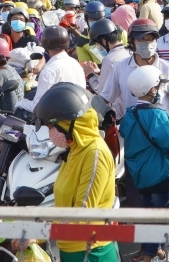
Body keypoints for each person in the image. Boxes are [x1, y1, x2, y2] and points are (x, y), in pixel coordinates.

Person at [30, 84, 119, 262]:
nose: (50, 133)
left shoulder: (95, 154)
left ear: (70, 123)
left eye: (52, 126)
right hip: (71, 248)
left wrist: (39, 233)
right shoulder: (75, 149)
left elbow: (82, 213)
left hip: (91, 251)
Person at [120, 66, 169, 262]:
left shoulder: (130, 113)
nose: (160, 90)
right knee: (160, 214)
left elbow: (124, 133)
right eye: (158, 87)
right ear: (151, 90)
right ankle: (151, 254)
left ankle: (149, 250)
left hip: (138, 174)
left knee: (147, 212)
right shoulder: (157, 114)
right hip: (157, 173)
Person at [101, 19, 169, 121]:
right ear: (131, 42)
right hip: (132, 130)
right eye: (141, 39)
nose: (147, 43)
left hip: (161, 130)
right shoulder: (120, 67)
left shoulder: (168, 69)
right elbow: (105, 98)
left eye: (151, 39)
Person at [15, 26, 86, 114]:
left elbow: (38, 106)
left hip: (59, 118)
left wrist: (20, 103)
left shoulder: (48, 71)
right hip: (80, 112)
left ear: (44, 43)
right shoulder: (75, 63)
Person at [83, 19, 131, 94]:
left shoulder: (109, 60)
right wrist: (100, 72)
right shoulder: (129, 51)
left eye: (97, 44)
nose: (98, 47)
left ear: (104, 41)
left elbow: (101, 91)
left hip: (118, 104)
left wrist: (90, 74)